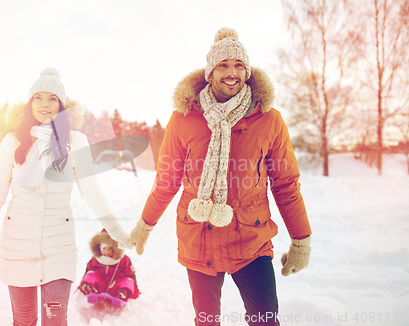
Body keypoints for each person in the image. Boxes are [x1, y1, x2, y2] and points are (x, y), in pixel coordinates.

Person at [129, 28, 312, 326]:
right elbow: (167, 179)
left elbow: (286, 184)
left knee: (265, 320)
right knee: (206, 321)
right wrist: (145, 225)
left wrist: (301, 240)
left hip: (252, 239)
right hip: (199, 239)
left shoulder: (268, 119)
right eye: (223, 65)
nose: (232, 72)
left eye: (239, 65)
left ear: (248, 71)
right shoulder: (184, 118)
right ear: (210, 72)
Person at [0, 68, 132, 326]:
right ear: (29, 103)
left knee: (54, 321)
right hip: (16, 248)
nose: (44, 104)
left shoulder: (76, 141)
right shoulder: (11, 142)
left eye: (52, 98)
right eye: (38, 97)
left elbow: (91, 191)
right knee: (24, 320)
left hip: (58, 248)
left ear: (61, 105)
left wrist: (116, 231)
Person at [78, 229, 140, 302]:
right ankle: (89, 288)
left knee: (127, 281)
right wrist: (84, 281)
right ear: (100, 249)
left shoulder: (123, 259)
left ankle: (122, 293)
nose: (107, 251)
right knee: (91, 274)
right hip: (100, 284)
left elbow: (131, 275)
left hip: (116, 285)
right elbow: (88, 271)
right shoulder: (96, 259)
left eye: (110, 248)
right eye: (104, 248)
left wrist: (134, 287)